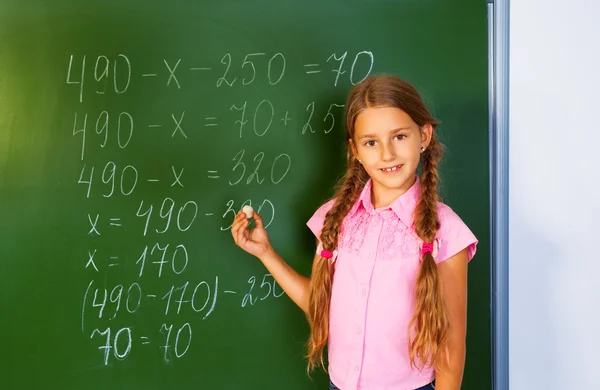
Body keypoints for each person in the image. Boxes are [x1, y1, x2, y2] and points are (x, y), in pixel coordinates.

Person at [231, 75, 478, 390]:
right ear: (355, 150)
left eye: (399, 137)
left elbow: (451, 345)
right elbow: (321, 305)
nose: (387, 154)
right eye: (371, 142)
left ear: (424, 136)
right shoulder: (335, 219)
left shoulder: (447, 232)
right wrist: (266, 253)